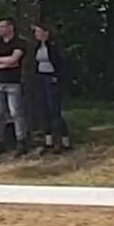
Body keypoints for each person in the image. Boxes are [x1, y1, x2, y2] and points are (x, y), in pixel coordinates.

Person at [0, 17, 28, 157]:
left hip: (13, 82)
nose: (0, 30)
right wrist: (4, 64)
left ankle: (21, 141)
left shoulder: (19, 43)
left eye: (3, 26)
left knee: (16, 113)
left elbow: (14, 59)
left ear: (11, 27)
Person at [33, 22, 71, 154]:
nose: (36, 34)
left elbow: (63, 63)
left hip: (52, 78)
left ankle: (63, 140)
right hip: (41, 78)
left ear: (46, 33)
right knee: (43, 110)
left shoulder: (55, 46)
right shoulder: (38, 46)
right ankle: (48, 140)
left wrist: (58, 77)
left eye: (38, 32)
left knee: (54, 110)